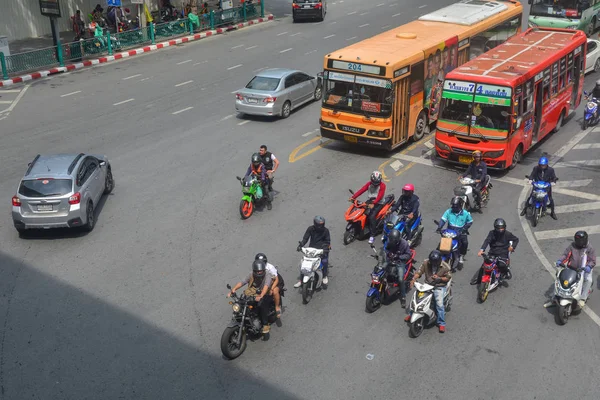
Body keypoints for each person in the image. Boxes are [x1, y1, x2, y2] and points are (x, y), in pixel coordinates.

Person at [405, 250, 452, 333]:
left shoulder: (446, 267)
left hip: (439, 286)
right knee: (416, 298)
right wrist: (414, 279)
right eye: (432, 262)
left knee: (439, 304)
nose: (433, 264)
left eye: (435, 263)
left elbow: (448, 278)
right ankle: (411, 314)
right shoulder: (426, 262)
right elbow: (419, 272)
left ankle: (441, 323)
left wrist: (439, 278)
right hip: (427, 285)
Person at [227, 259, 274, 334]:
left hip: (264, 293)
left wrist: (261, 295)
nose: (259, 272)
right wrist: (233, 289)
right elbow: (242, 282)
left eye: (261, 271)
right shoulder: (251, 274)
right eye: (257, 271)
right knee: (241, 302)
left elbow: (266, 286)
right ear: (254, 271)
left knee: (262, 304)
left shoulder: (267, 275)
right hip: (253, 293)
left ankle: (265, 324)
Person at [471, 218, 519, 285]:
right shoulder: (491, 233)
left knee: (502, 265)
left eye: (502, 228)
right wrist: (482, 250)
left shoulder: (508, 234)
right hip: (493, 252)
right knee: (485, 265)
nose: (501, 230)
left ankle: (506, 271)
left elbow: (516, 240)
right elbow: (487, 241)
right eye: (499, 228)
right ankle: (478, 280)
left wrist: (512, 247)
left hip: (503, 252)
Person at [556, 231, 596, 308]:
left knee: (588, 280)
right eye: (577, 240)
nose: (578, 242)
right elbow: (565, 255)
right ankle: (556, 295)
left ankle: (583, 298)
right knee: (559, 276)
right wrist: (560, 260)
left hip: (584, 269)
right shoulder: (572, 246)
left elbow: (592, 260)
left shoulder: (590, 248)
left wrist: (589, 266)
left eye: (580, 240)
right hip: (572, 268)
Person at [350, 171, 387, 244]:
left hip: (379, 203)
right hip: (370, 201)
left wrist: (374, 203)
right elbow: (362, 190)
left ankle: (372, 235)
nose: (375, 184)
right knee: (361, 211)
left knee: (372, 217)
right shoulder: (369, 184)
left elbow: (380, 196)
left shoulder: (382, 186)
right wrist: (353, 197)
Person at [294, 216, 331, 287]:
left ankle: (324, 276)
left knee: (324, 261)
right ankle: (301, 280)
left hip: (322, 250)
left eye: (322, 225)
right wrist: (301, 245)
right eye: (319, 225)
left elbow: (327, 241)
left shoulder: (326, 231)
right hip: (311, 249)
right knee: (303, 263)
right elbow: (305, 238)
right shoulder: (310, 229)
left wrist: (325, 249)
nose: (321, 227)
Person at [437, 197, 473, 268]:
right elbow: (443, 220)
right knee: (440, 245)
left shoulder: (465, 213)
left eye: (455, 207)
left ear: (460, 206)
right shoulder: (448, 211)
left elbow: (470, 222)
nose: (454, 208)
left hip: (460, 231)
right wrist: (439, 227)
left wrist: (464, 229)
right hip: (450, 231)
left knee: (465, 243)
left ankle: (461, 255)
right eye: (453, 206)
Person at [383, 229, 412, 307]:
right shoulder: (390, 241)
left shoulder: (404, 244)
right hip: (390, 260)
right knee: (382, 269)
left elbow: (408, 255)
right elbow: (386, 249)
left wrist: (399, 257)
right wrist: (388, 254)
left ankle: (403, 296)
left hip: (399, 262)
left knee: (400, 279)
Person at [255, 253, 284, 318]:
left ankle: (277, 307)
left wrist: (271, 288)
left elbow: (276, 280)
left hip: (275, 281)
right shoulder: (256, 267)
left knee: (275, 291)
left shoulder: (270, 268)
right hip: (266, 281)